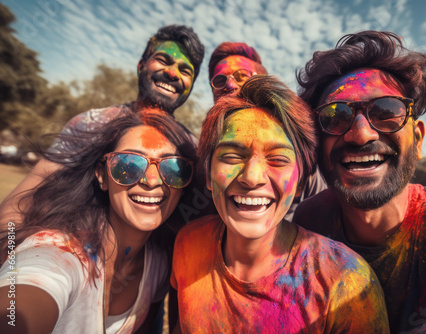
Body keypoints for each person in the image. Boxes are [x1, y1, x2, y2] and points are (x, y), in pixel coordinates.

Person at [294, 30, 426, 333]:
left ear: (417, 139)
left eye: (386, 111)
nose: (361, 134)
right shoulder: (311, 220)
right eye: (335, 117)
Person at [170, 75, 389, 333]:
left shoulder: (346, 283)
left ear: (299, 181)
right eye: (231, 156)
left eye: (278, 159)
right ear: (208, 174)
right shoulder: (188, 245)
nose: (251, 177)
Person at [0, 110, 197, 333]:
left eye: (173, 169)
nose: (152, 181)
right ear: (102, 176)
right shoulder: (57, 252)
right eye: (128, 164)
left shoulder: (159, 265)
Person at [0, 24, 205, 227]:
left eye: (185, 70)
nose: (173, 73)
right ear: (141, 65)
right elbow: (25, 198)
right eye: (163, 60)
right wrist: (10, 253)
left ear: (191, 85)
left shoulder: (191, 148)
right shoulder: (92, 123)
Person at [208, 42, 327, 221]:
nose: (230, 85)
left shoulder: (296, 146)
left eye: (241, 75)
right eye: (220, 80)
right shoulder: (209, 147)